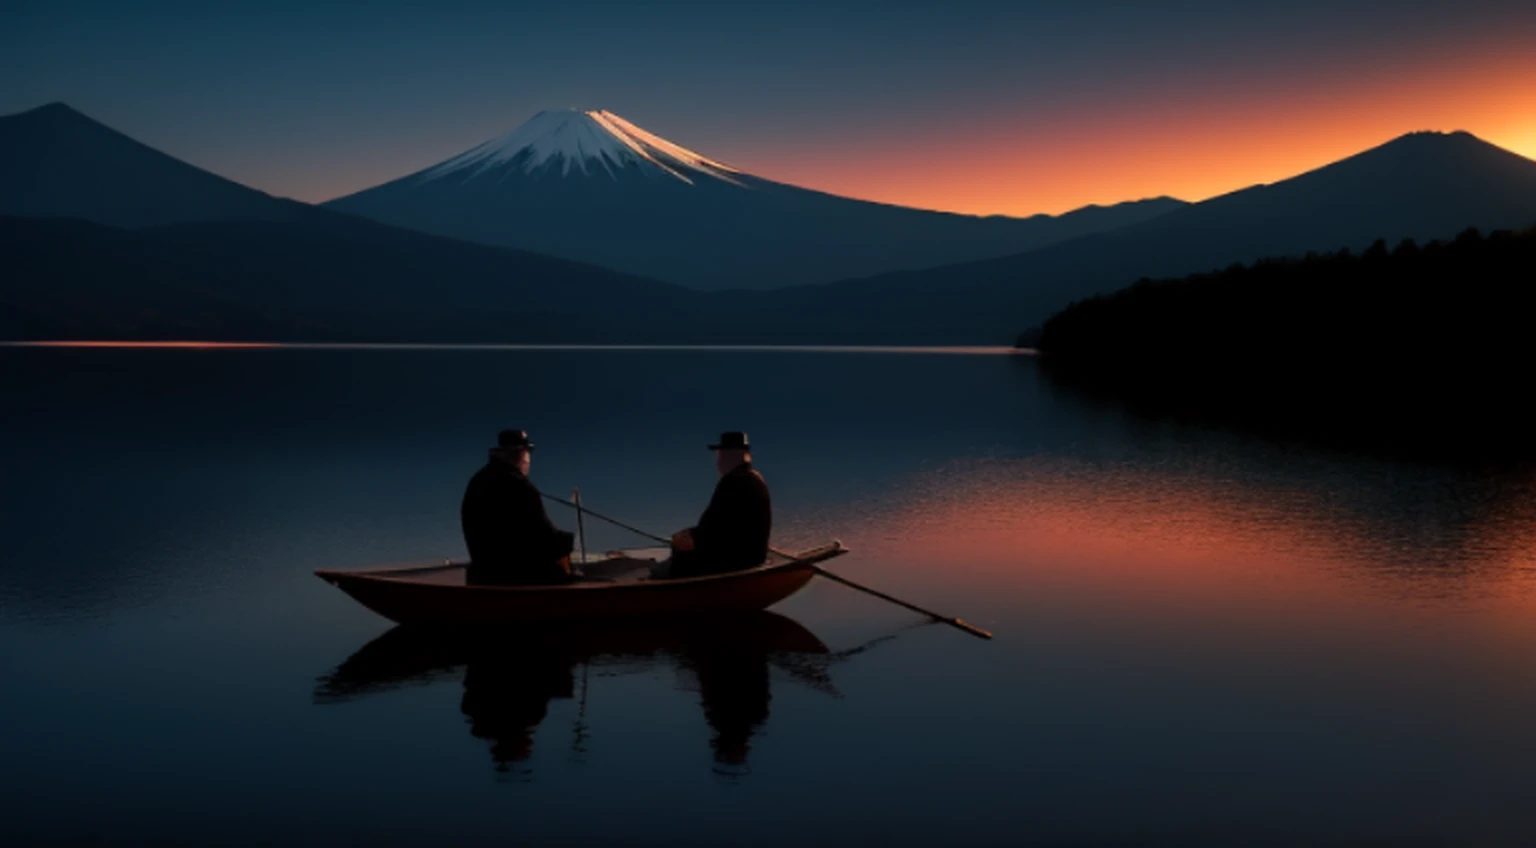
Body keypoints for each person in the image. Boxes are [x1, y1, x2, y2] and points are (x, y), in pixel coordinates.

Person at [460, 429, 575, 585]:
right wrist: (568, 542)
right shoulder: (520, 486)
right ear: (522, 455)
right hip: (515, 577)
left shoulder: (478, 480)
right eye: (528, 453)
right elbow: (544, 537)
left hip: (482, 575)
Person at [663, 431, 772, 578]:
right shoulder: (754, 477)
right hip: (753, 554)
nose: (718, 461)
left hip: (738, 561)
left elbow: (715, 529)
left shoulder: (733, 482)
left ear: (729, 456)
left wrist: (687, 538)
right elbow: (726, 524)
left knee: (681, 553)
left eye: (720, 455)